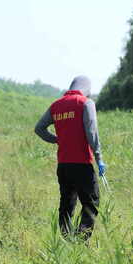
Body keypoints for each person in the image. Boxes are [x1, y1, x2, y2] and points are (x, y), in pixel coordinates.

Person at [34, 75, 106, 241]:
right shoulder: (86, 103)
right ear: (87, 89)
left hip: (64, 165)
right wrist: (99, 157)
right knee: (91, 203)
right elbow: (92, 132)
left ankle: (67, 239)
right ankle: (80, 242)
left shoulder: (56, 105)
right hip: (82, 164)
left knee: (66, 204)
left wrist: (57, 139)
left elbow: (39, 128)